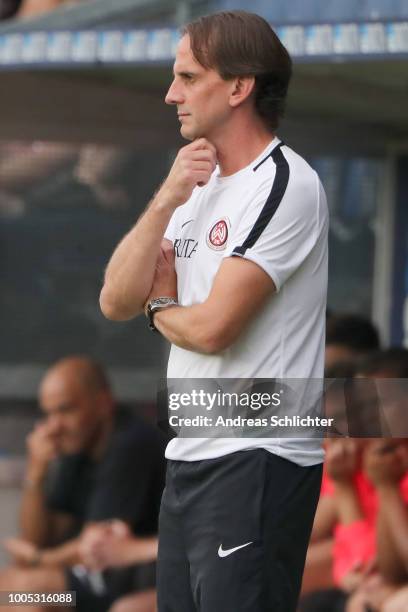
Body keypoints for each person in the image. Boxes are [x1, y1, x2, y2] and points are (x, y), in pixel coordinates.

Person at [100, 11, 328, 612]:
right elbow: (114, 299)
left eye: (187, 76)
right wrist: (165, 200)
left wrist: (161, 307)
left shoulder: (285, 182)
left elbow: (211, 329)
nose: (170, 93)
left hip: (258, 454)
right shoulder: (192, 183)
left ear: (238, 86)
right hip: (191, 453)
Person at [0, 356, 166, 612]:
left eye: (65, 410)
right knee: (8, 588)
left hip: (121, 587)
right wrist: (36, 471)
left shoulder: (129, 443)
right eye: (48, 413)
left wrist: (37, 559)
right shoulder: (76, 444)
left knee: (25, 595)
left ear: (102, 404)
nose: (54, 426)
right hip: (86, 582)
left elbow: (94, 549)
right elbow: (40, 535)